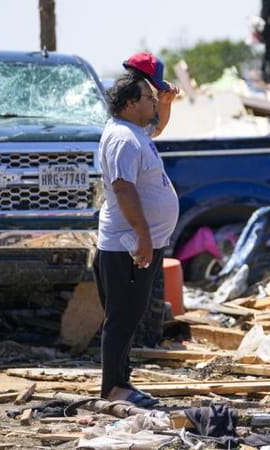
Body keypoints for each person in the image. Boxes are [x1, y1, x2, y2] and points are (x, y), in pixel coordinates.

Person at [93, 53, 179, 408]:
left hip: (136, 243)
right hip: (127, 245)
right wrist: (143, 236)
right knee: (122, 320)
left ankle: (122, 383)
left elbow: (157, 127)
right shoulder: (123, 139)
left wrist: (165, 102)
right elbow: (124, 188)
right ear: (130, 104)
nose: (153, 103)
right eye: (148, 98)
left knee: (128, 318)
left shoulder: (133, 132)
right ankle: (113, 388)